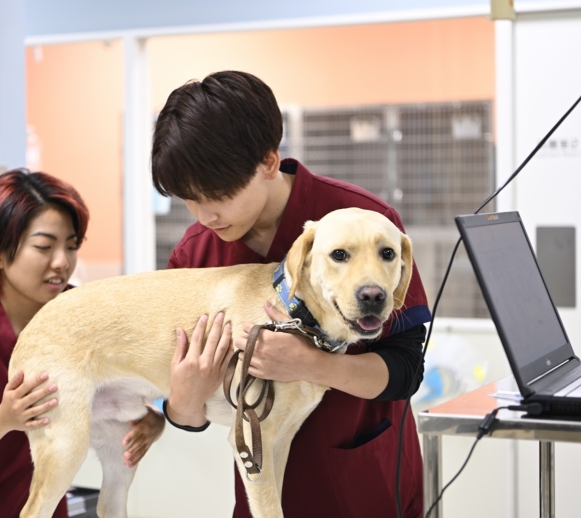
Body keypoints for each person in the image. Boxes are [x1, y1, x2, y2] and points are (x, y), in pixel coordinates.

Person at [152, 71, 431, 517]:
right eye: (189, 198)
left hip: (363, 483)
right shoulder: (195, 254)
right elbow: (191, 412)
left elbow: (406, 370)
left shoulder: (364, 222)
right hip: (264, 494)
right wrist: (181, 405)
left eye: (219, 194)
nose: (206, 215)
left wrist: (312, 364)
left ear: (268, 162)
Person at [0, 169, 165, 518]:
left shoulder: (83, 316)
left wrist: (150, 421)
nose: (62, 262)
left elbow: (107, 396)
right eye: (44, 247)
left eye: (71, 246)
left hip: (39, 502)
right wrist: (4, 418)